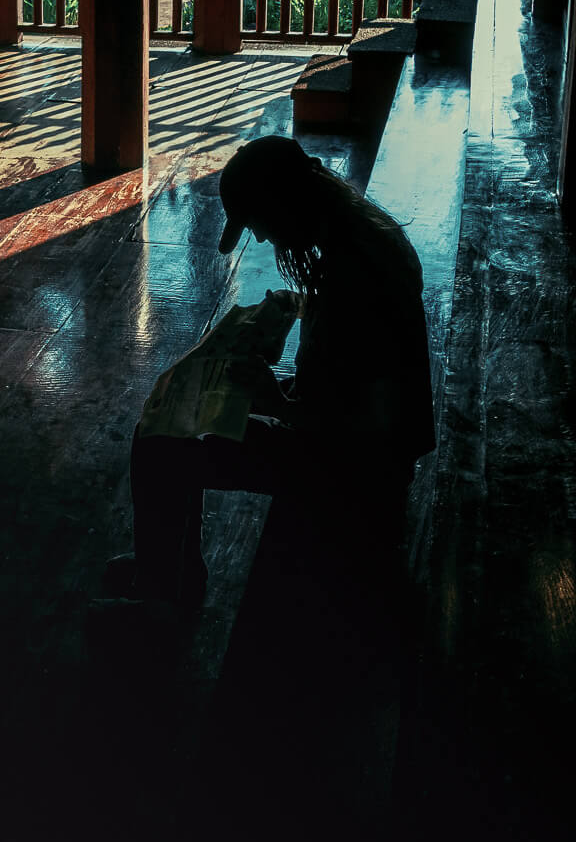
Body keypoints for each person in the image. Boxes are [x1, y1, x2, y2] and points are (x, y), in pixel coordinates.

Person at [106, 136, 436, 610]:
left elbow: (365, 422)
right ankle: (170, 569)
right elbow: (353, 376)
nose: (262, 238)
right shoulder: (361, 239)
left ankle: (160, 597)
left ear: (286, 204)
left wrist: (276, 402)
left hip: (357, 471)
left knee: (160, 443)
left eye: (260, 222)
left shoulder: (353, 275)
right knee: (184, 422)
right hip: (364, 452)